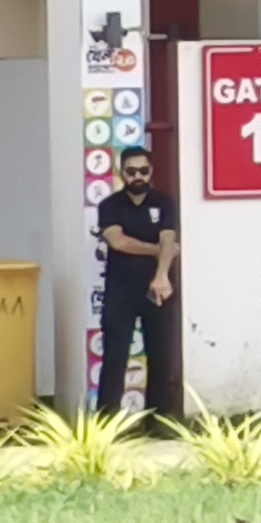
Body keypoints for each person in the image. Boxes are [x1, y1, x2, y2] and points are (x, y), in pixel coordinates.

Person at [92, 145, 179, 413]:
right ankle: (107, 423)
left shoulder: (164, 202)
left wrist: (162, 274)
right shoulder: (110, 205)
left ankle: (160, 420)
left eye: (143, 170)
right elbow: (118, 240)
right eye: (131, 171)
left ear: (151, 171)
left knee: (161, 355)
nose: (138, 176)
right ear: (122, 173)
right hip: (121, 290)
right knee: (116, 356)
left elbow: (169, 239)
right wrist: (156, 250)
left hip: (157, 288)